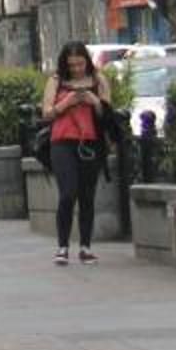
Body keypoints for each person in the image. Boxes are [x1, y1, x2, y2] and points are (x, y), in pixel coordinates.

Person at [45, 43, 110, 266]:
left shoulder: (98, 80)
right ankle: (62, 247)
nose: (76, 69)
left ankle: (85, 247)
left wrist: (94, 101)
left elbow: (107, 114)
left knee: (87, 196)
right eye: (71, 65)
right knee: (68, 193)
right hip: (62, 142)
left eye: (80, 64)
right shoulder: (56, 80)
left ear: (87, 62)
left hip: (91, 143)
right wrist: (66, 103)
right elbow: (46, 113)